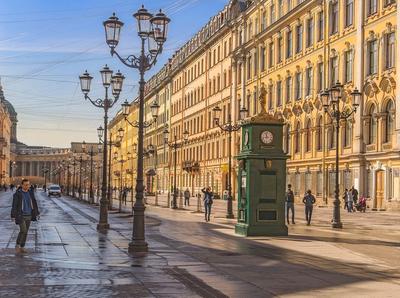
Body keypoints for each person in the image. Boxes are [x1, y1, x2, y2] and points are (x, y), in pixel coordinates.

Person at [11, 179, 40, 254]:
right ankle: (17, 244)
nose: (27, 186)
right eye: (26, 185)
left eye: (28, 184)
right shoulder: (18, 194)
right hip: (21, 215)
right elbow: (14, 205)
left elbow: (34, 203)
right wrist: (13, 215)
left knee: (26, 232)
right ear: (22, 185)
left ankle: (22, 246)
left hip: (29, 215)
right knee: (23, 230)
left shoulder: (31, 193)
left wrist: (37, 213)